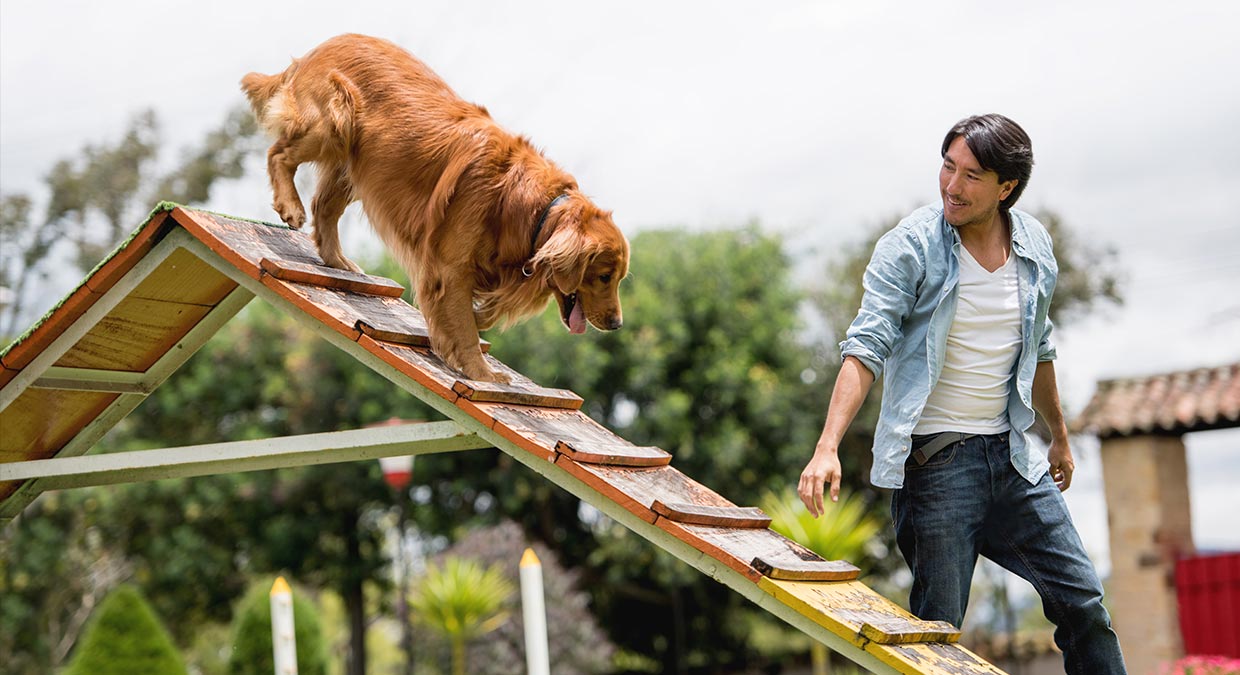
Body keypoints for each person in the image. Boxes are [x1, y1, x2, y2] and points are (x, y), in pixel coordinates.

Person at [797, 114, 1126, 673]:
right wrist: (827, 445)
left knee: (1084, 604)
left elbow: (1039, 346)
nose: (952, 185)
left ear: (1007, 188)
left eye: (972, 176)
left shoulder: (1034, 245)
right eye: (948, 167)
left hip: (1015, 460)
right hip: (938, 465)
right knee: (936, 635)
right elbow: (866, 344)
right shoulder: (909, 246)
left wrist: (1060, 440)